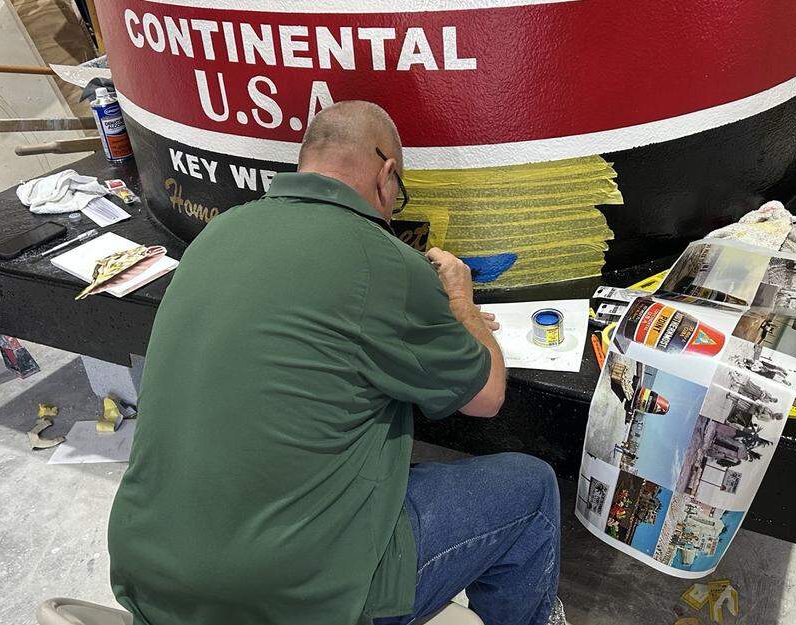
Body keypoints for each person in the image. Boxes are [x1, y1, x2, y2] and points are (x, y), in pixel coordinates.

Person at [107, 101, 565, 625]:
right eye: (400, 194)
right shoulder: (384, 260)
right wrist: (461, 300)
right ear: (386, 174)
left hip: (149, 577)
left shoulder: (219, 232)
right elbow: (487, 396)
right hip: (291, 601)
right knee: (529, 489)